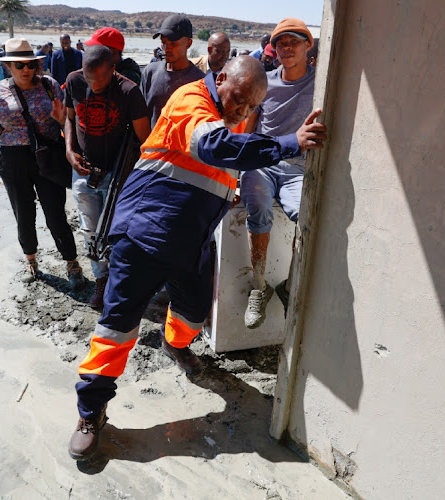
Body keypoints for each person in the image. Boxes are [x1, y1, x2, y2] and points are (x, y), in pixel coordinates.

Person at [68, 55, 327, 460]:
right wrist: (290, 142)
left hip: (191, 243)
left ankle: (176, 344)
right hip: (144, 236)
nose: (240, 111)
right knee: (117, 327)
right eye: (238, 99)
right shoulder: (192, 99)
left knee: (191, 314)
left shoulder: (231, 117)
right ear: (220, 77)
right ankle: (90, 412)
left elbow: (215, 168)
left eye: (250, 107)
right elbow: (209, 146)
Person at [0, 38, 85, 285]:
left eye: (30, 64)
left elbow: (66, 121)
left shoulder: (49, 84)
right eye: (19, 66)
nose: (26, 70)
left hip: (48, 156)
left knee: (55, 214)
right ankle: (31, 260)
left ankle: (72, 264)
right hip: (12, 158)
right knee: (24, 212)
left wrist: (61, 120)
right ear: (8, 66)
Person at [241, 18, 316, 328]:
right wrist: (239, 166)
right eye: (281, 43)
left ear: (308, 46)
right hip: (264, 162)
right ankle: (259, 287)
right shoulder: (266, 82)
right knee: (256, 200)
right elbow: (249, 125)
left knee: (307, 216)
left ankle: (289, 284)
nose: (287, 48)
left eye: (294, 42)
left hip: (298, 167)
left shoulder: (320, 84)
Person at [63, 44, 151, 309]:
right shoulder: (73, 81)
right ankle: (101, 281)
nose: (95, 84)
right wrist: (69, 151)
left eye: (101, 78)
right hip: (83, 170)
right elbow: (68, 118)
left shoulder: (129, 91)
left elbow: (145, 139)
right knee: (90, 230)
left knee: (118, 232)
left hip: (118, 173)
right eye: (90, 78)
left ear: (113, 69)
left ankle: (121, 281)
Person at [140, 14, 204, 127]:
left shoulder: (200, 82)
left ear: (189, 43)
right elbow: (140, 116)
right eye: (163, 42)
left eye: (173, 44)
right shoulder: (150, 72)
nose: (166, 48)